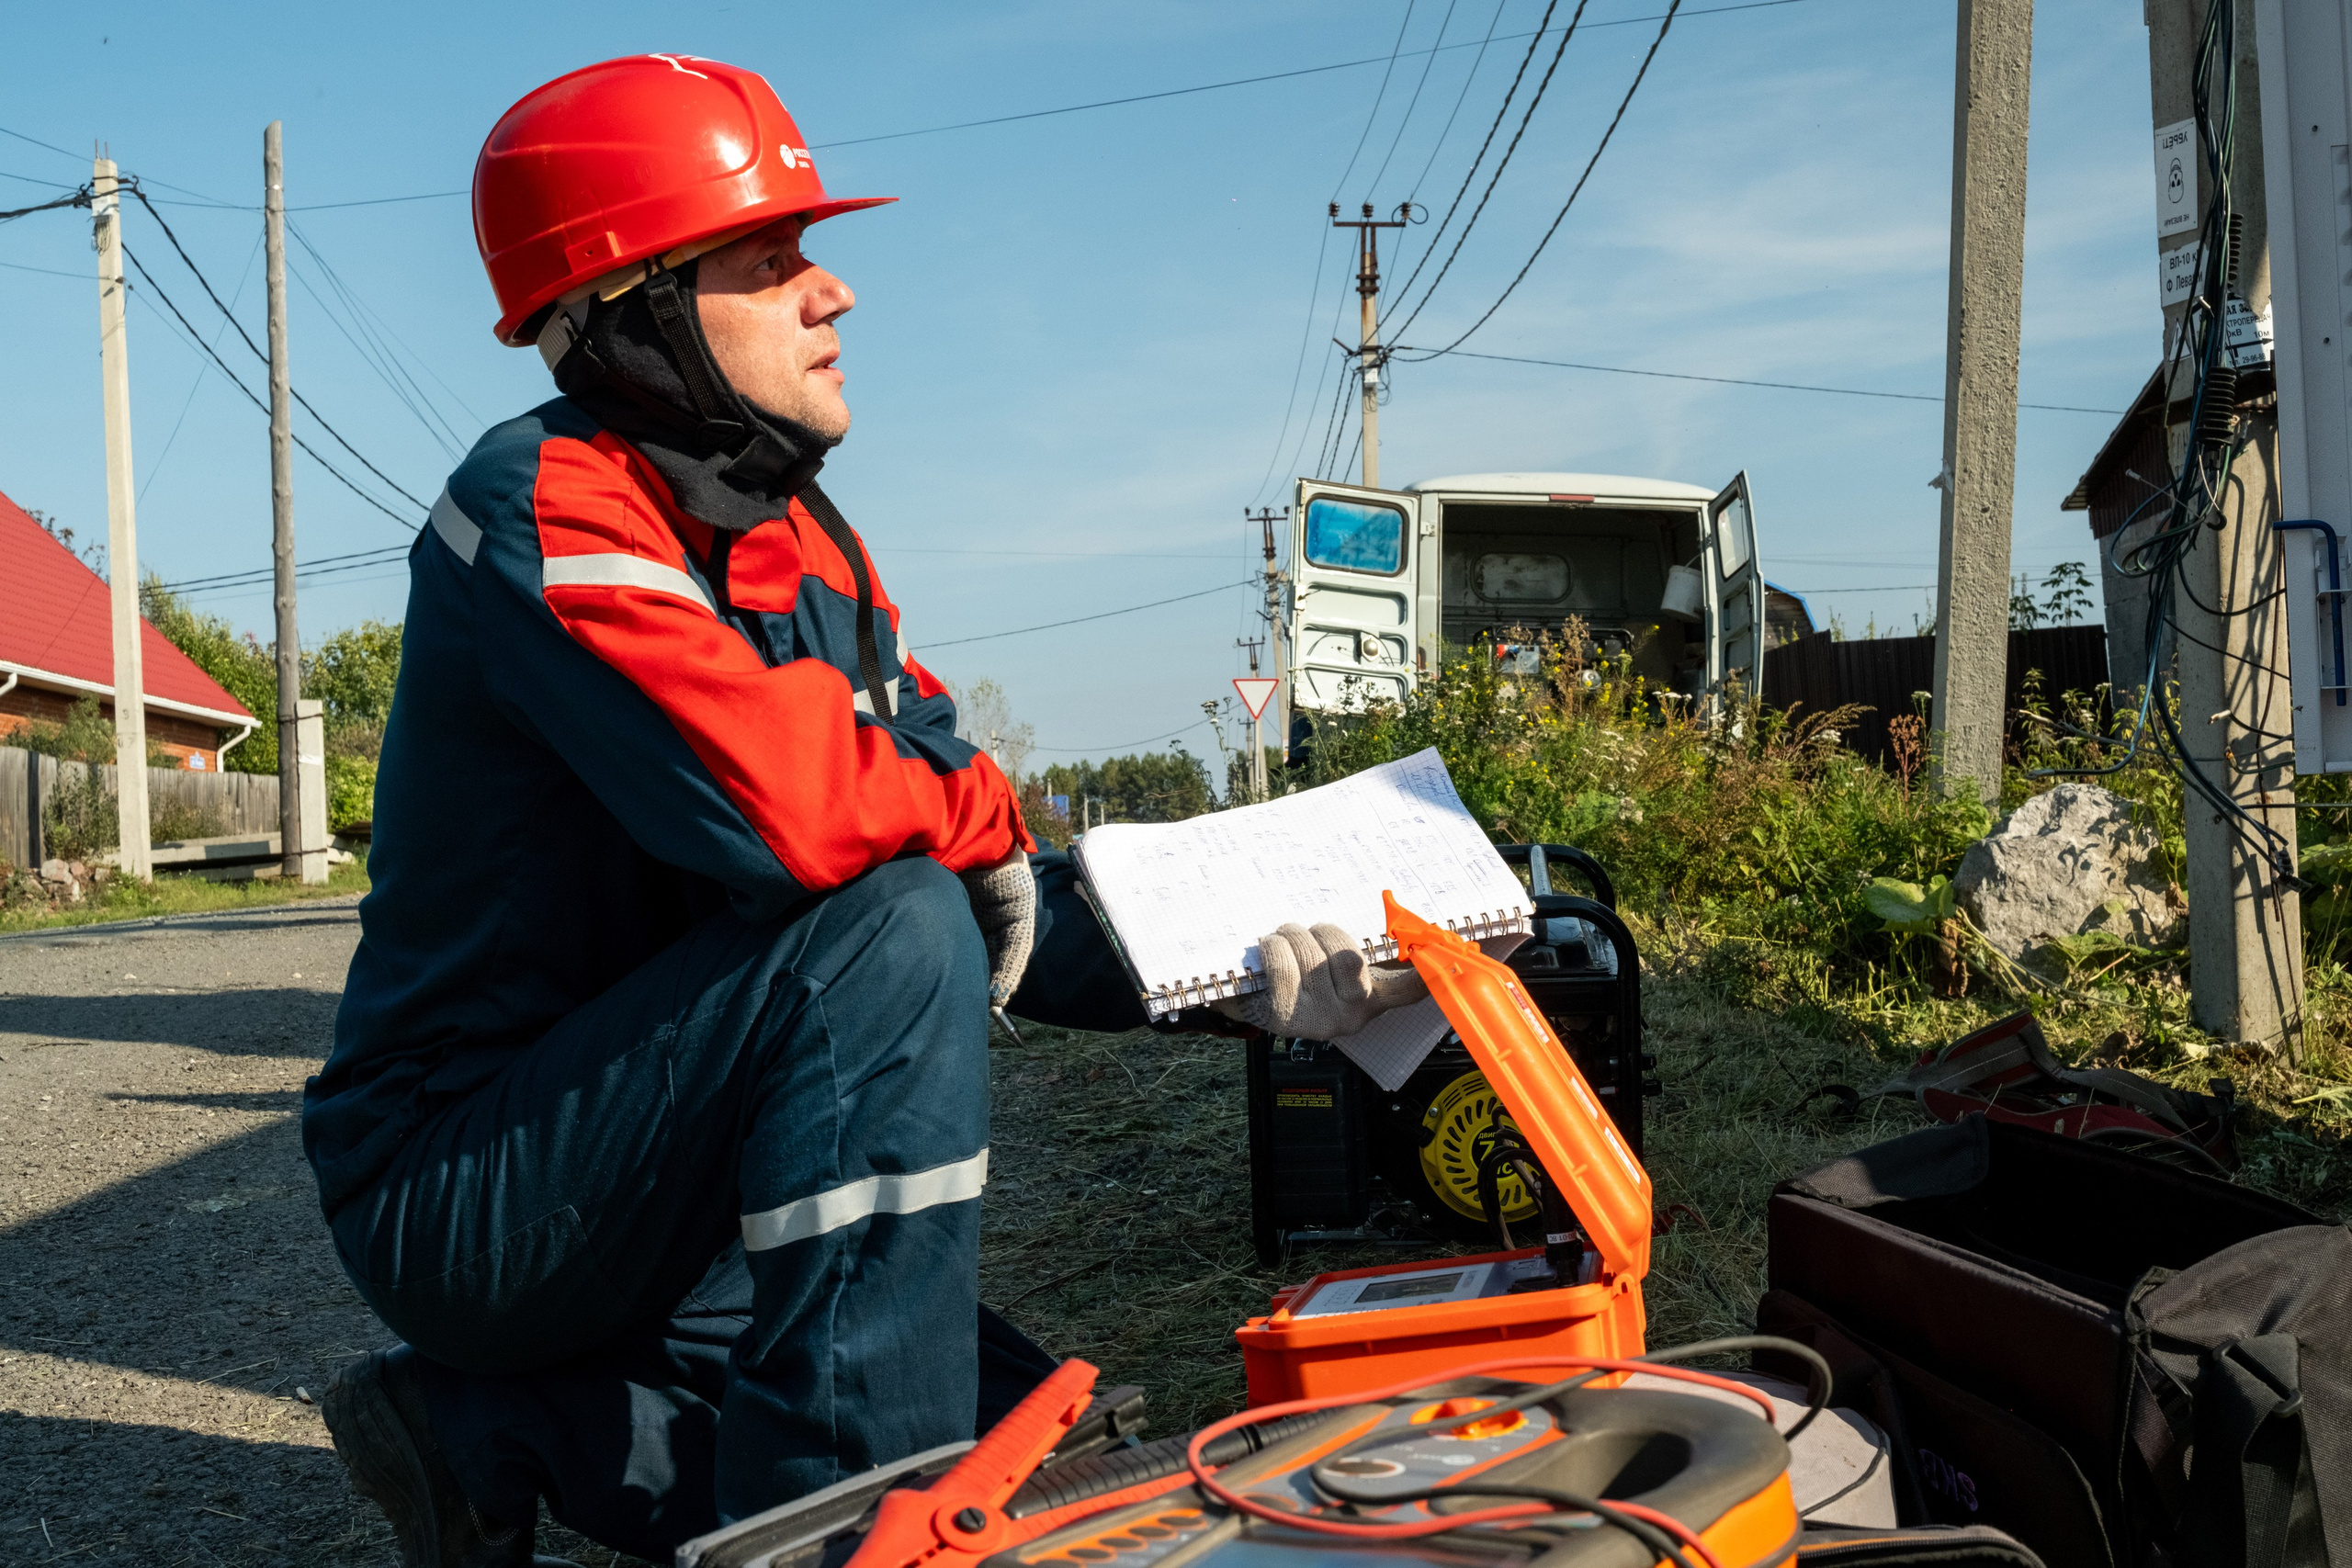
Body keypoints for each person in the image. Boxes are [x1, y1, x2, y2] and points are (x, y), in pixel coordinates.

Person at [302, 54, 1423, 1568]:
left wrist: (1238, 980)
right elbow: (804, 816)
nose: (833, 294)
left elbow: (985, 853)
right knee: (884, 933)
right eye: (773, 259)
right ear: (637, 310)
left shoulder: (811, 547)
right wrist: (961, 827)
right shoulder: (542, 504)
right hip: (467, 1181)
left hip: (654, 1159)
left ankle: (486, 1432)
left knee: (1032, 1453)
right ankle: (847, 1544)